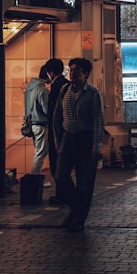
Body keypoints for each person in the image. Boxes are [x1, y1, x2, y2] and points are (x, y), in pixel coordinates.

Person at [53, 57, 105, 232]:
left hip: (86, 139)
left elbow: (98, 120)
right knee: (60, 178)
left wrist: (97, 146)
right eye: (71, 69)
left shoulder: (93, 93)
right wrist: (57, 139)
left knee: (84, 183)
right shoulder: (64, 90)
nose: (73, 73)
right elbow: (57, 116)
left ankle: (78, 219)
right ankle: (76, 208)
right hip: (67, 138)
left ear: (86, 74)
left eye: (77, 70)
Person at [44, 58, 68, 202]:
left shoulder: (58, 86)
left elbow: (54, 113)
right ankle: (64, 193)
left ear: (50, 72)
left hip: (58, 132)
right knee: (61, 165)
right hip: (64, 132)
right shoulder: (66, 85)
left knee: (57, 165)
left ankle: (63, 194)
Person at [24, 65, 51, 176]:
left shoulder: (30, 88)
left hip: (32, 123)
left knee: (38, 152)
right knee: (40, 153)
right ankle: (35, 178)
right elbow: (47, 110)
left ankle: (35, 178)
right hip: (41, 124)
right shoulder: (42, 90)